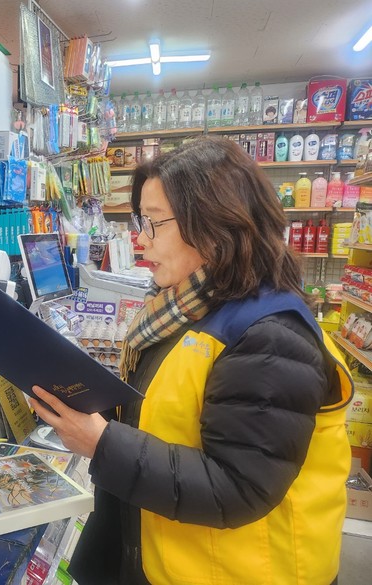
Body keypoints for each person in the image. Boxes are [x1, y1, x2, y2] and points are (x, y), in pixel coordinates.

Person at [31, 136, 352, 585]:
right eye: (141, 221)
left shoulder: (271, 337)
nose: (140, 238)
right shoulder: (185, 310)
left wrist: (102, 444)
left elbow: (238, 488)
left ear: (215, 224)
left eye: (154, 222)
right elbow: (166, 416)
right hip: (170, 559)